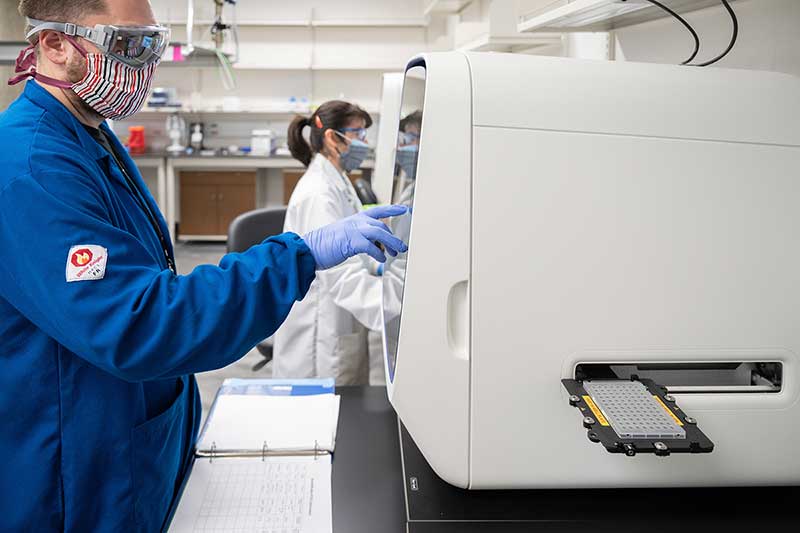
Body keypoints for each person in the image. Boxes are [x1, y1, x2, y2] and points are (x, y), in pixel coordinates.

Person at [0, 1, 408, 531]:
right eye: (129, 46)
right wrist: (298, 256)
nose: (145, 65)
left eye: (152, 44)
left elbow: (148, 288)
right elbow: (143, 323)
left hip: (126, 442)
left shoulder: (90, 136)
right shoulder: (34, 164)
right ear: (54, 45)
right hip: (76, 475)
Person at [274, 101, 387, 385]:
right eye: (357, 134)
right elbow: (338, 275)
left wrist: (379, 265)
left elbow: (352, 242)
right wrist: (390, 307)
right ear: (332, 138)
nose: (363, 143)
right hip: (320, 331)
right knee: (326, 417)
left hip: (337, 319)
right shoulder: (319, 193)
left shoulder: (337, 180)